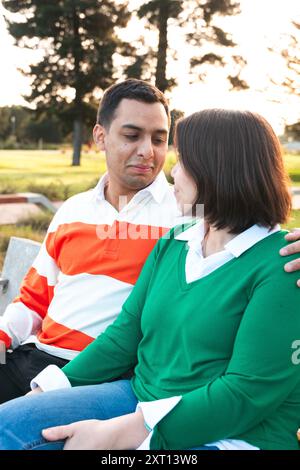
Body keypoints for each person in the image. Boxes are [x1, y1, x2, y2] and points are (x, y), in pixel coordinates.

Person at [0, 108, 299, 451]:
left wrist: (120, 433)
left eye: (183, 161)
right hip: (139, 395)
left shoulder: (284, 265)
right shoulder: (174, 241)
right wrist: (50, 389)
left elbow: (245, 395)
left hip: (235, 434)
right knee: (9, 425)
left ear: (217, 170)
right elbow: (123, 336)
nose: (171, 171)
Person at [0, 79, 179, 404]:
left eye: (159, 139)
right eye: (132, 135)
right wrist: (3, 336)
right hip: (35, 358)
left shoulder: (185, 215)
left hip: (101, 377)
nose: (147, 151)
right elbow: (33, 301)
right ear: (100, 136)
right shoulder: (73, 209)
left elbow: (253, 249)